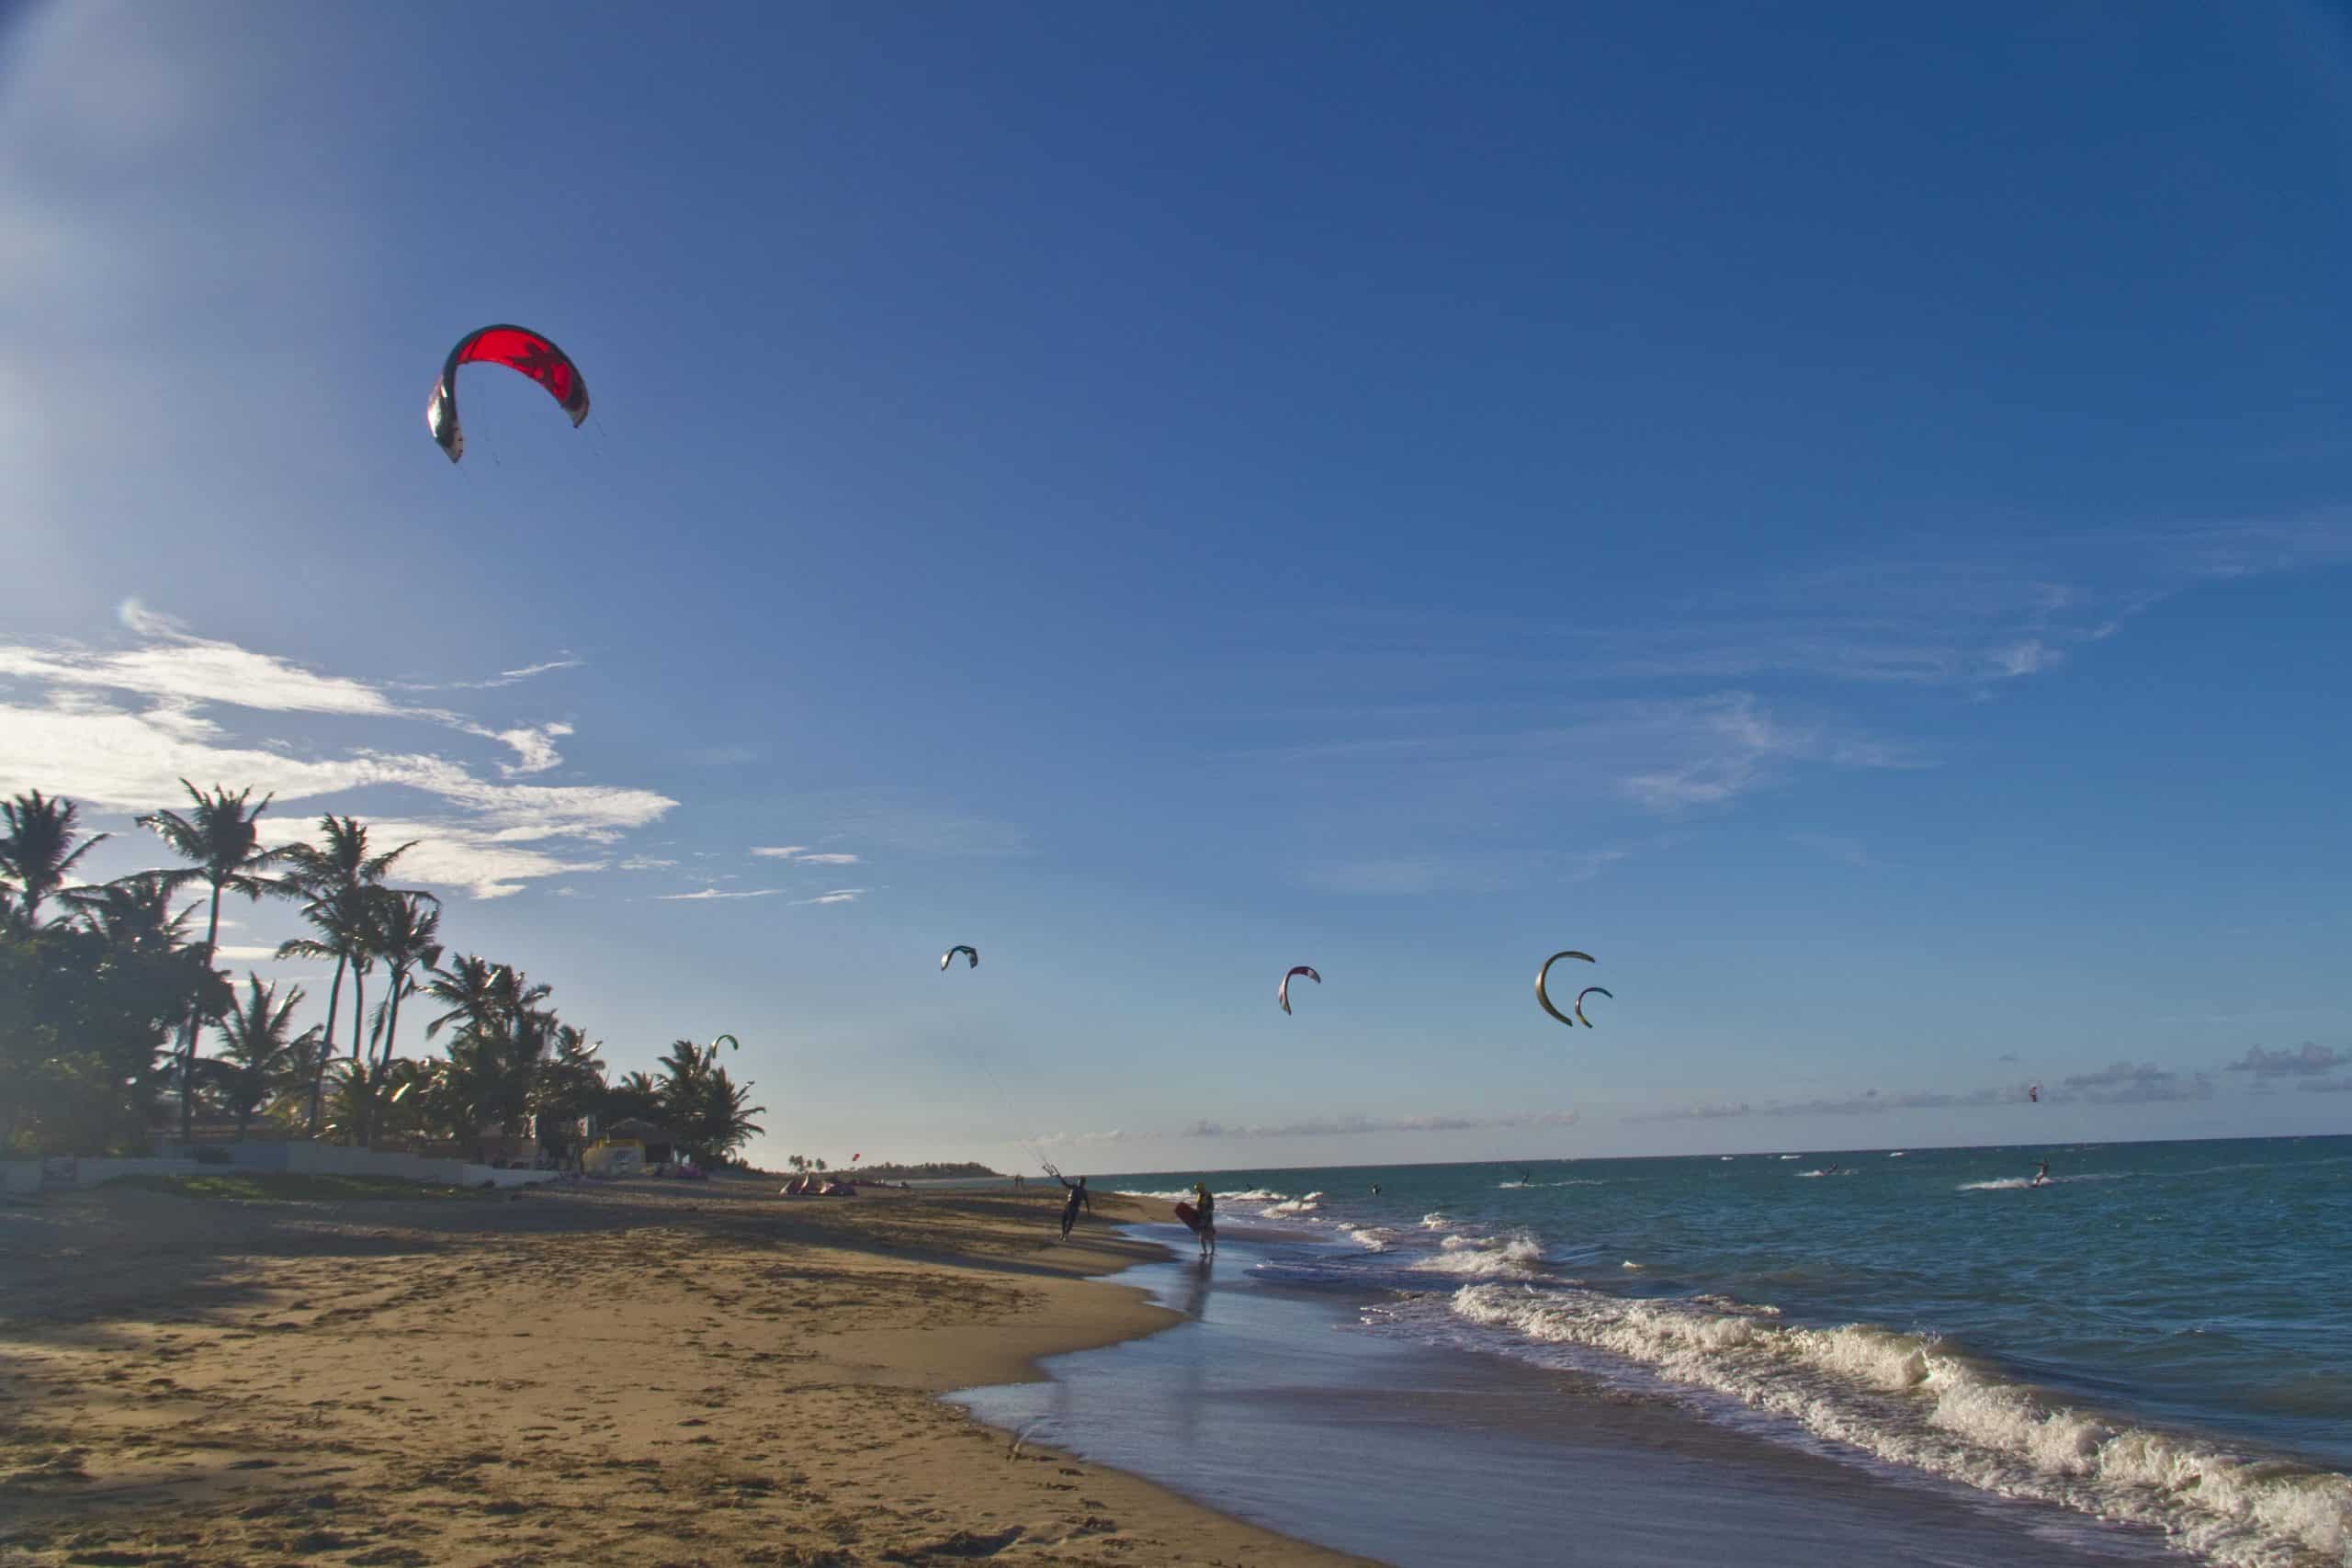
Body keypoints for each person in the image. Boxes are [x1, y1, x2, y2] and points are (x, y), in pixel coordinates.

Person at [1193, 1181, 1216, 1258]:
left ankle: (1212, 1251)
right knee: (1201, 1235)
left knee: (1210, 1235)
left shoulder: (1208, 1195)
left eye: (1198, 1189)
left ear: (1201, 1188)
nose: (1197, 1190)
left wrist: (1207, 1213)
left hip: (1208, 1217)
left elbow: (1212, 1207)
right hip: (1201, 1217)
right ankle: (1205, 1251)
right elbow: (1198, 1207)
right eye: (1196, 1189)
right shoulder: (1198, 1195)